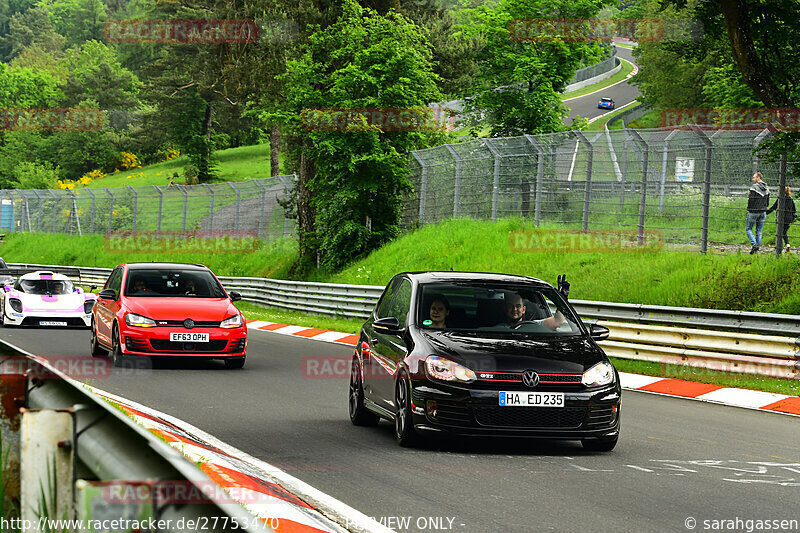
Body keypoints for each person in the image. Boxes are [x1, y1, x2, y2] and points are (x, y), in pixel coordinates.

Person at [498, 292, 564, 331]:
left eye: (518, 306)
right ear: (505, 309)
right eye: (510, 306)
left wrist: (561, 300)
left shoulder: (534, 325)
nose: (514, 309)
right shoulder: (498, 330)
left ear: (523, 310)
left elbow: (557, 321)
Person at [766, 186, 797, 253]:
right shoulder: (790, 199)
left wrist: (765, 213)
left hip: (781, 218)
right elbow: (794, 210)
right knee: (784, 232)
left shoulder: (780, 199)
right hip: (789, 219)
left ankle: (779, 247)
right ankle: (787, 244)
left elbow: (773, 207)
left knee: (779, 232)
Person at [746, 172, 770, 254]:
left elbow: (751, 199)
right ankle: (757, 251)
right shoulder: (767, 188)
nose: (753, 179)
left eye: (754, 177)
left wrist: (749, 208)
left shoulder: (754, 187)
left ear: (758, 178)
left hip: (753, 211)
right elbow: (768, 202)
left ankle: (754, 244)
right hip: (763, 212)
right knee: (759, 231)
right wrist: (764, 207)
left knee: (748, 229)